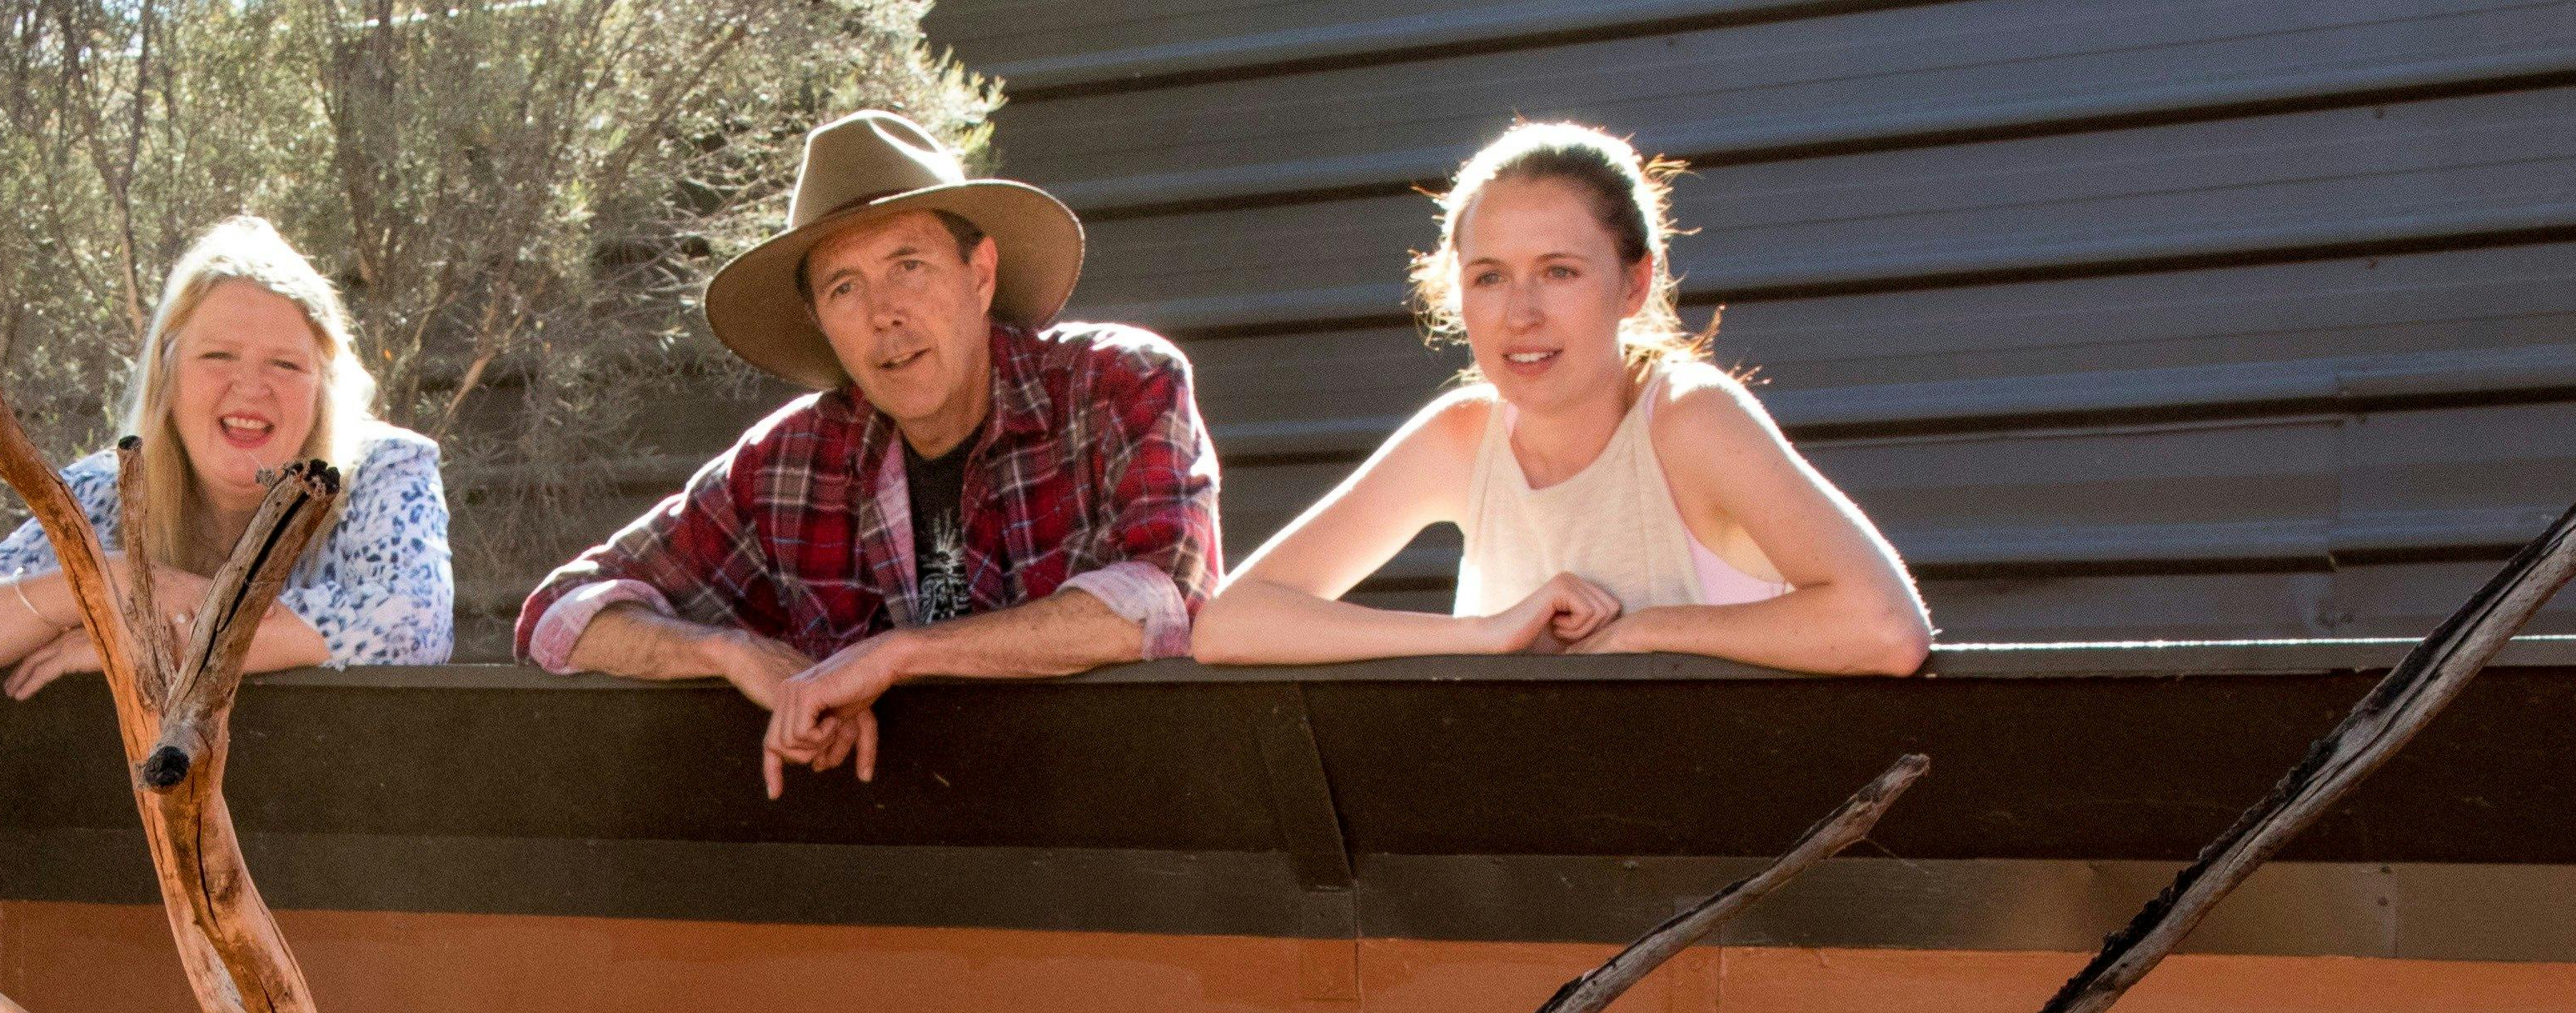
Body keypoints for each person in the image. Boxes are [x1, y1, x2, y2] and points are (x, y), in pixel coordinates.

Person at [515, 111, 1219, 796]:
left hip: (1120, 822)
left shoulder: (1116, 383)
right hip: (883, 851)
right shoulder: (784, 464)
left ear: (979, 274)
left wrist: (896, 656)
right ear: (820, 323)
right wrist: (727, 653)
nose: (883, 314)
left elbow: (1165, 599)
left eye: (907, 266)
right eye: (843, 288)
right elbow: (559, 617)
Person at [1192, 122, 1927, 676]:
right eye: (1488, 277)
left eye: (1559, 272)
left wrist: (1642, 631)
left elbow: (1885, 628)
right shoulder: (1461, 434)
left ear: (1634, 284)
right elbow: (1229, 625)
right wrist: (1485, 634)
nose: (1520, 315)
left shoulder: (1689, 416)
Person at [0, 217, 452, 688]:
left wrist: (148, 644)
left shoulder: (385, 470)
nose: (250, 387)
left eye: (285, 364)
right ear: (166, 376)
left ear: (323, 386)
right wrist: (116, 583)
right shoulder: (105, 492)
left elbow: (410, 626)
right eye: (218, 356)